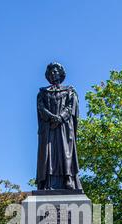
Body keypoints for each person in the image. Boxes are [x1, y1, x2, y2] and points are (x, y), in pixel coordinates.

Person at [36, 62, 83, 191]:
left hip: (64, 127)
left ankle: (68, 178)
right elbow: (41, 108)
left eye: (55, 71)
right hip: (49, 128)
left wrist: (61, 117)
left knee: (65, 152)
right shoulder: (43, 93)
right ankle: (48, 182)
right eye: (50, 72)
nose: (53, 74)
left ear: (60, 73)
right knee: (48, 154)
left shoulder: (69, 91)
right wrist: (52, 117)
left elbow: (70, 107)